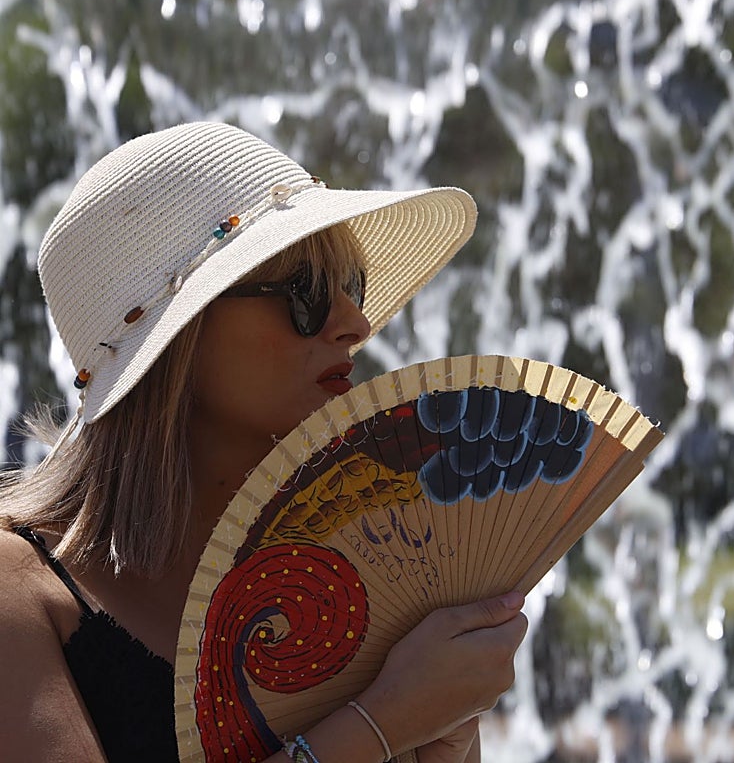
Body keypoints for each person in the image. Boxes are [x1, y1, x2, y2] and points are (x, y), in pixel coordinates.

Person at [0, 122, 529, 762]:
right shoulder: (19, 588)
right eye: (306, 294)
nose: (356, 324)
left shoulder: (345, 590)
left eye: (352, 287)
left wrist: (438, 741)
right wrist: (383, 723)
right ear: (180, 340)